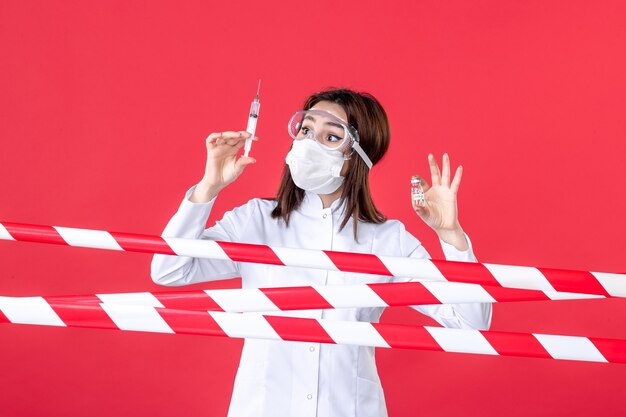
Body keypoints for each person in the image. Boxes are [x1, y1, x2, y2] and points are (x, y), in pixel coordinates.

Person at [151, 88, 492, 417]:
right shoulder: (256, 221)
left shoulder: (388, 240)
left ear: (358, 156)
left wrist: (452, 236)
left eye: (331, 137)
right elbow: (169, 270)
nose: (309, 143)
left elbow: (470, 323)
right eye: (306, 129)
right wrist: (208, 186)